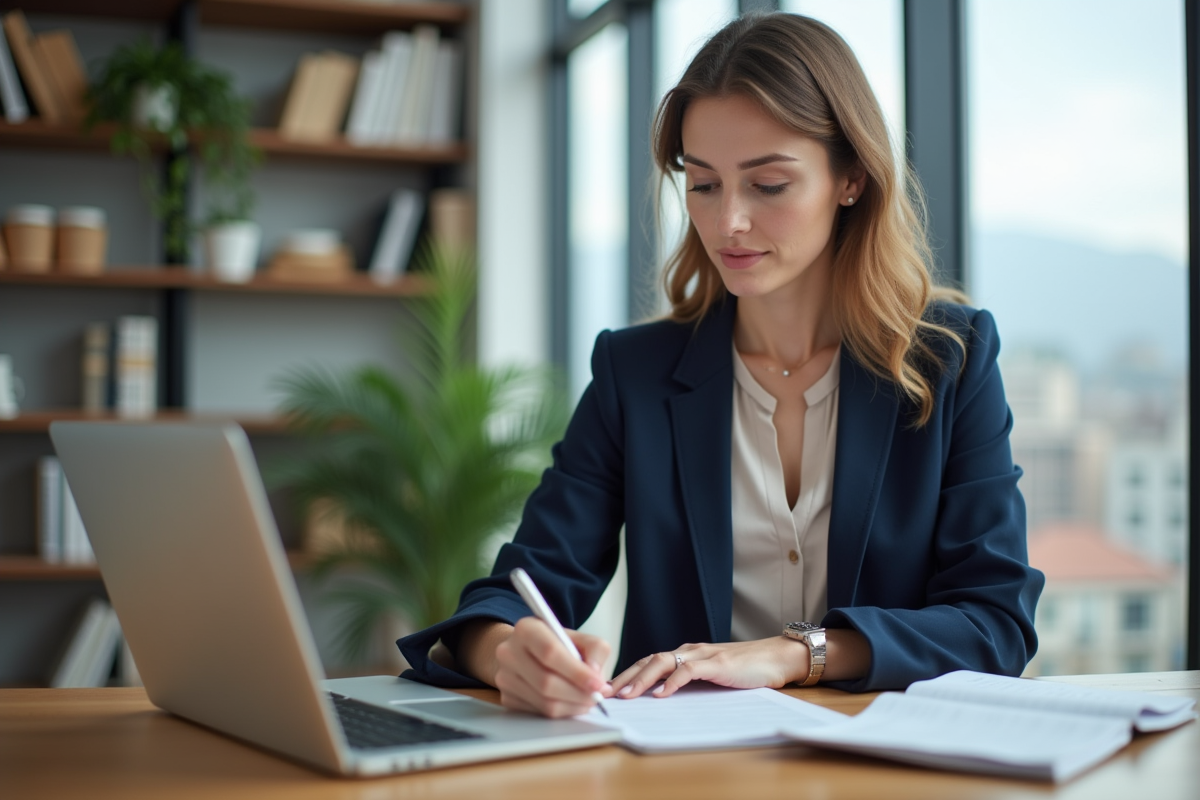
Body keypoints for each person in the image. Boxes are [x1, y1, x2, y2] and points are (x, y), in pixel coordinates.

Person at [398, 12, 1044, 718]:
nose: (727, 221)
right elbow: (520, 587)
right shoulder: (634, 373)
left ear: (851, 178)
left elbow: (994, 623)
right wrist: (506, 653)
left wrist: (797, 655)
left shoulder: (951, 361)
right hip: (683, 775)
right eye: (703, 184)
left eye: (767, 185)